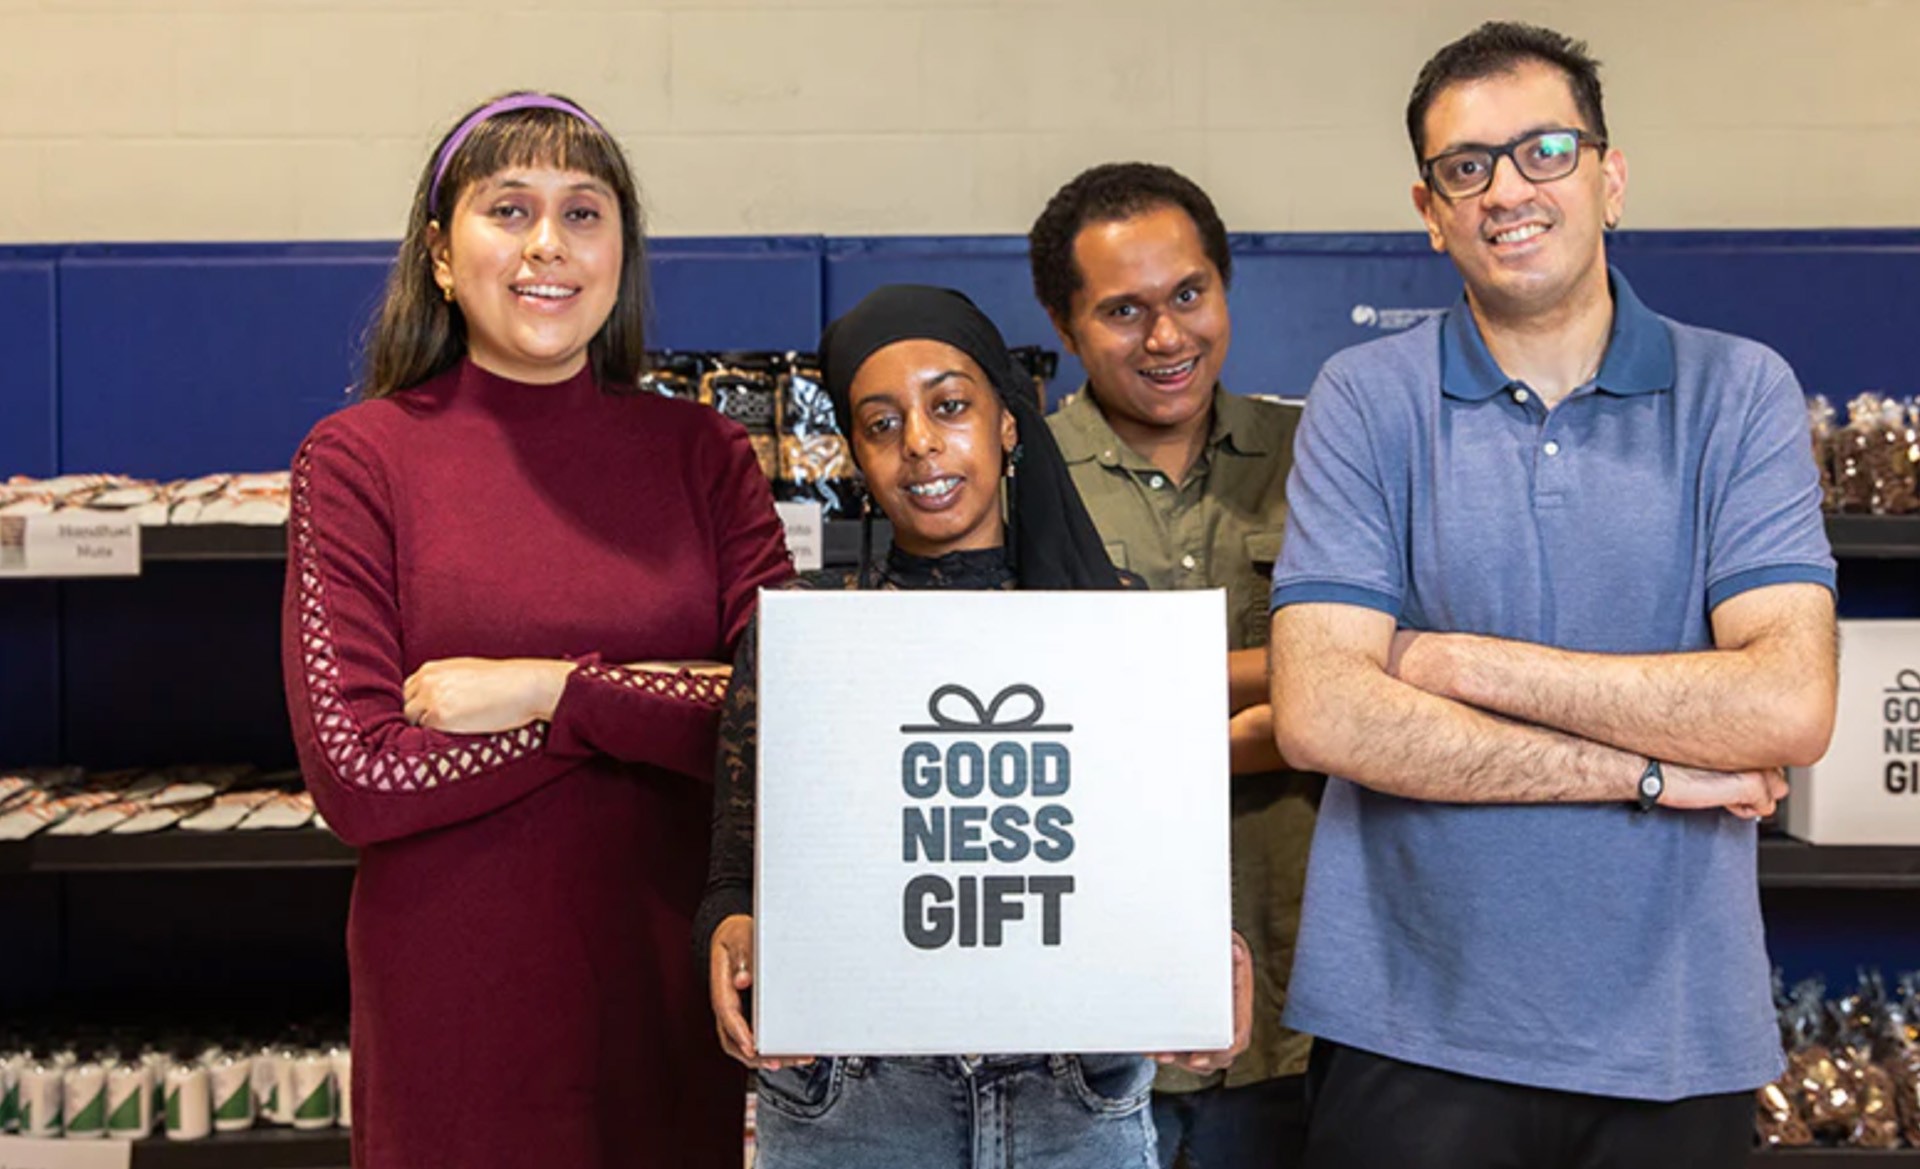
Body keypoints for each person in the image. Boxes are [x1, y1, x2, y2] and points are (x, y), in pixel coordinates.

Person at [1267, 22, 1838, 1169]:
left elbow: (1787, 704)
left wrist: (1455, 660)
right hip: (1408, 1028)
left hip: (1673, 1038)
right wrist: (1650, 772)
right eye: (1466, 167)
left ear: (1610, 178)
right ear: (1430, 211)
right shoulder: (1365, 399)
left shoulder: (1739, 391)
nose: (1507, 190)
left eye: (1546, 150)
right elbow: (1324, 714)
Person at [281, 91, 792, 1169]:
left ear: (621, 253)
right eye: (509, 209)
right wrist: (652, 703)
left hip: (667, 987)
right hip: (454, 1007)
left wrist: (551, 689)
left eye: (583, 212)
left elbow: (785, 717)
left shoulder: (705, 455)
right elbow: (361, 775)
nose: (548, 244)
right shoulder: (358, 459)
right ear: (439, 253)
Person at [694, 284, 1252, 1169]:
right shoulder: (806, 631)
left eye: (949, 406)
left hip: (1073, 1094)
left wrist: (1203, 953)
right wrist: (728, 933)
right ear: (857, 455)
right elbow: (737, 865)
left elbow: (1160, 854)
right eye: (882, 424)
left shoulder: (1117, 623)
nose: (919, 442)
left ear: (1008, 424)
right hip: (854, 1098)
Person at [1030, 162, 1318, 1169]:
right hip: (1091, 1022)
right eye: (1124, 310)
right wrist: (1294, 687)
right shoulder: (1021, 483)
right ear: (1066, 326)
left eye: (1189, 294)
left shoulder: (1322, 457)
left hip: (1295, 1006)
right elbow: (1048, 730)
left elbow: (1375, 685)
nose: (1166, 337)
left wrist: (1137, 712)